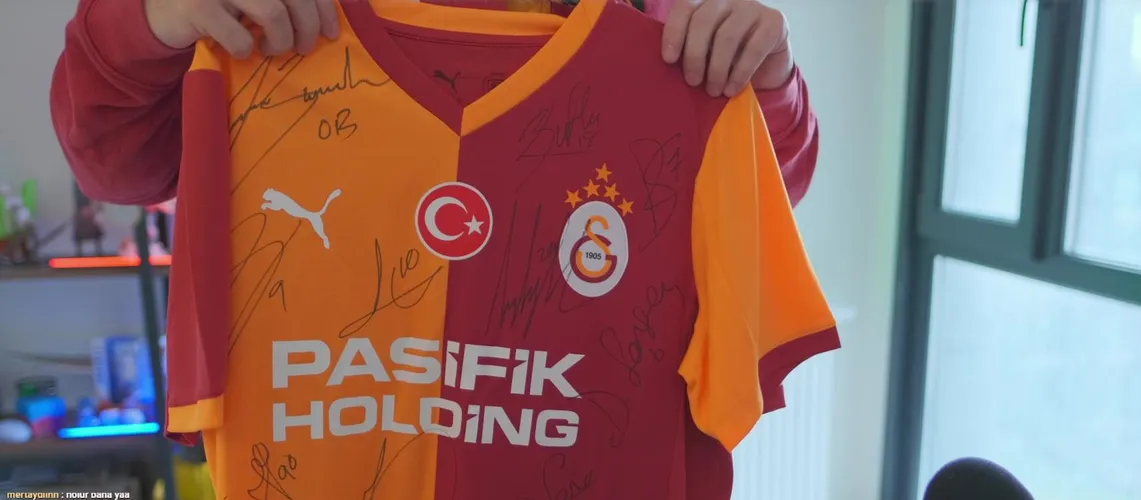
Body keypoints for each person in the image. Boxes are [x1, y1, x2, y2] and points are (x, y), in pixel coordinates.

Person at [50, 0, 818, 209]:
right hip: (320, 445)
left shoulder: (651, 11)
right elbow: (122, 170)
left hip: (572, 448)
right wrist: (146, 20)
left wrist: (766, 80)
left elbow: (760, 202)